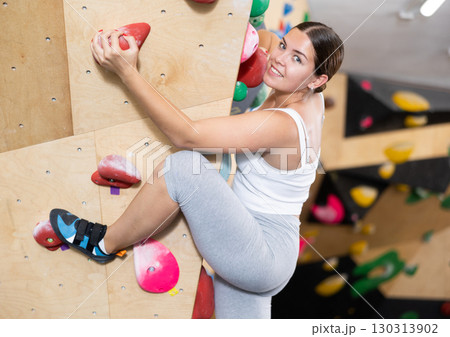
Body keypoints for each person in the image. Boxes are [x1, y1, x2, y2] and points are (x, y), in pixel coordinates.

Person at [50, 21, 344, 318]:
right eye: (284, 45)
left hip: (261, 252)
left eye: (298, 59)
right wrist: (254, 31)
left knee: (184, 167)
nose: (280, 58)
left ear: (317, 80)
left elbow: (186, 136)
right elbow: (266, 40)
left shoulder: (284, 125)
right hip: (268, 248)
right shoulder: (310, 95)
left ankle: (102, 243)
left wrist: (127, 71)